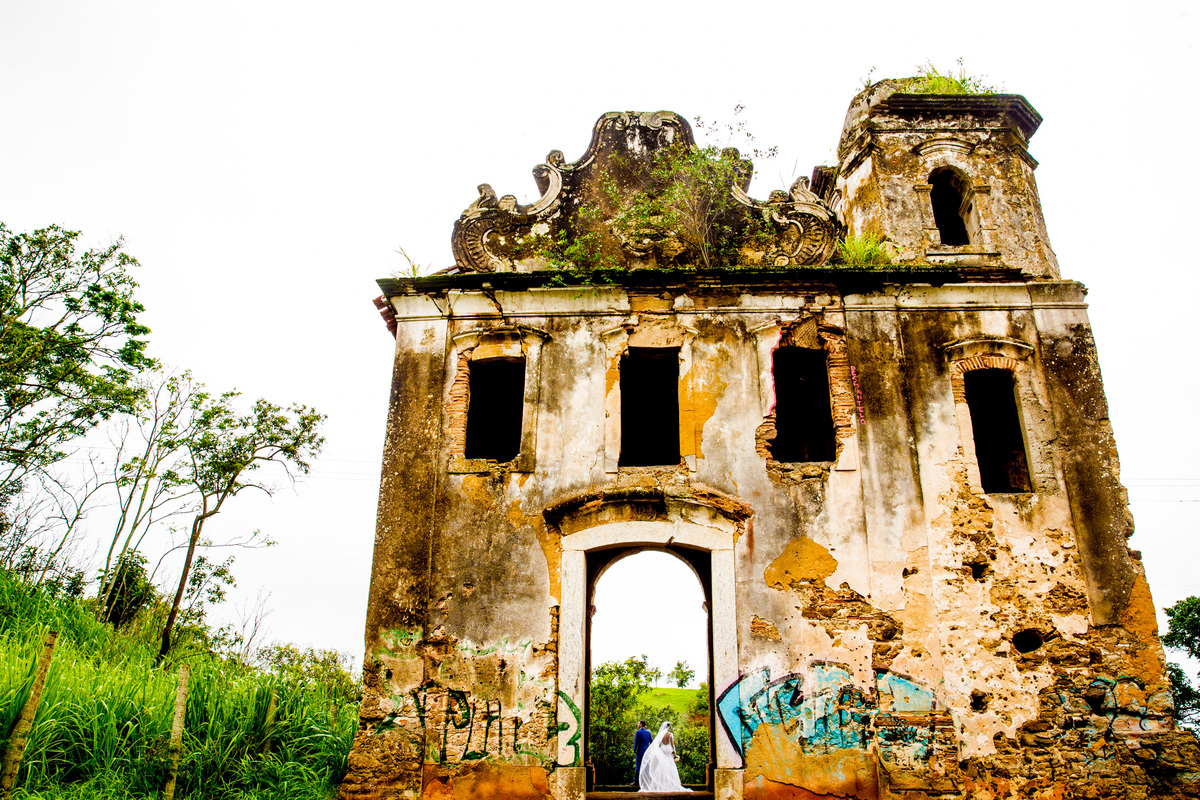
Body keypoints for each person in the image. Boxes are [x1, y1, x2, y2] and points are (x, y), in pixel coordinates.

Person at [638, 721, 691, 792]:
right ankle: (671, 783)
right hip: (669, 749)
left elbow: (657, 744)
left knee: (661, 765)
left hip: (663, 749)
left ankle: (660, 782)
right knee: (670, 764)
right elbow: (672, 745)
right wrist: (674, 753)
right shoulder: (670, 734)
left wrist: (656, 751)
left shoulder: (661, 735)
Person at [633, 720, 652, 788]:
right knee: (647, 766)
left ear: (641, 724)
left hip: (640, 751)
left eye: (638, 724)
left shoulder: (638, 732)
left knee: (638, 766)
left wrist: (634, 750)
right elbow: (651, 742)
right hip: (647, 751)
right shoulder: (648, 732)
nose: (638, 725)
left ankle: (636, 781)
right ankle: (647, 781)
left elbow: (636, 742)